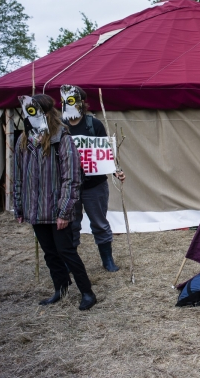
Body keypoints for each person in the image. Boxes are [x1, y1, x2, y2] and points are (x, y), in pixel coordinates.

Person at [14, 94, 96, 311]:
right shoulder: (24, 140)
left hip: (57, 209)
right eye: (28, 113)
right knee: (50, 253)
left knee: (66, 251)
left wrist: (64, 212)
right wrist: (20, 207)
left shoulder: (63, 139)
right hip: (35, 210)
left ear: (47, 113)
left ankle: (87, 292)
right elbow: (19, 177)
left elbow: (72, 178)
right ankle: (61, 287)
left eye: (35, 112)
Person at [60, 85, 124, 272]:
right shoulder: (60, 127)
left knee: (99, 223)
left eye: (72, 100)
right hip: (69, 186)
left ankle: (107, 260)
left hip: (94, 185)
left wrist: (116, 170)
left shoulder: (93, 124)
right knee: (71, 225)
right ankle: (71, 262)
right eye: (66, 100)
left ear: (81, 102)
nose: (69, 104)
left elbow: (106, 153)